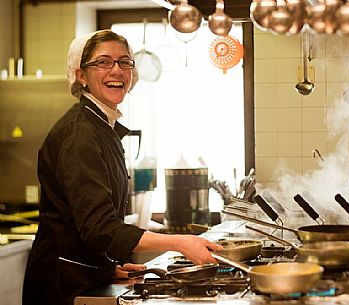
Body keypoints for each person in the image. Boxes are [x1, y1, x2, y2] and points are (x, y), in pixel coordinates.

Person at [22, 30, 223, 305]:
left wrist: (105, 268)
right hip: (62, 287)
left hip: (85, 276)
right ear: (82, 76)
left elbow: (86, 224)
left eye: (124, 62)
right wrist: (180, 242)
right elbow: (100, 228)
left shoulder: (102, 126)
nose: (116, 70)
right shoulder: (79, 134)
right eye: (103, 62)